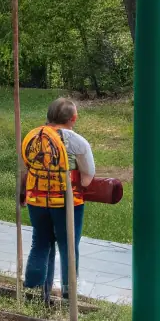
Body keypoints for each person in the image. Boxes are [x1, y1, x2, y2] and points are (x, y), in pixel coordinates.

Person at [22, 97, 96, 303]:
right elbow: (88, 175)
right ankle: (68, 294)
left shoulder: (33, 137)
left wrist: (23, 193)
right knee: (68, 246)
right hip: (67, 202)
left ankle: (35, 293)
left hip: (36, 200)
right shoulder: (77, 141)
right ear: (74, 118)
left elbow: (25, 168)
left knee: (40, 244)